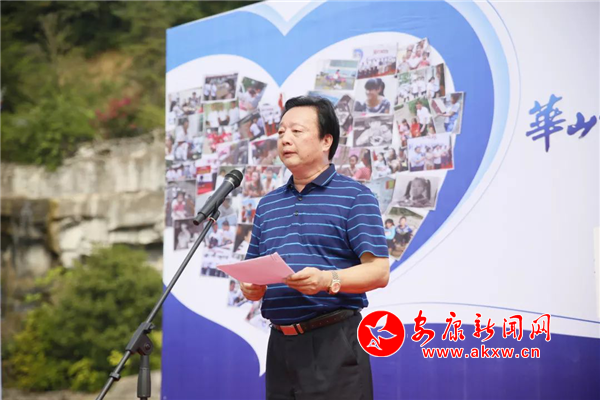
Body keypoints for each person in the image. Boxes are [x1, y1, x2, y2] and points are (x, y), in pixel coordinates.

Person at [239, 96, 389, 400]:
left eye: (297, 131)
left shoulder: (355, 196)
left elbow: (379, 271)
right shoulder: (267, 205)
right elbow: (252, 273)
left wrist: (327, 280)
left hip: (333, 343)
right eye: (281, 132)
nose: (285, 139)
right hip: (279, 344)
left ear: (326, 141)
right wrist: (250, 287)